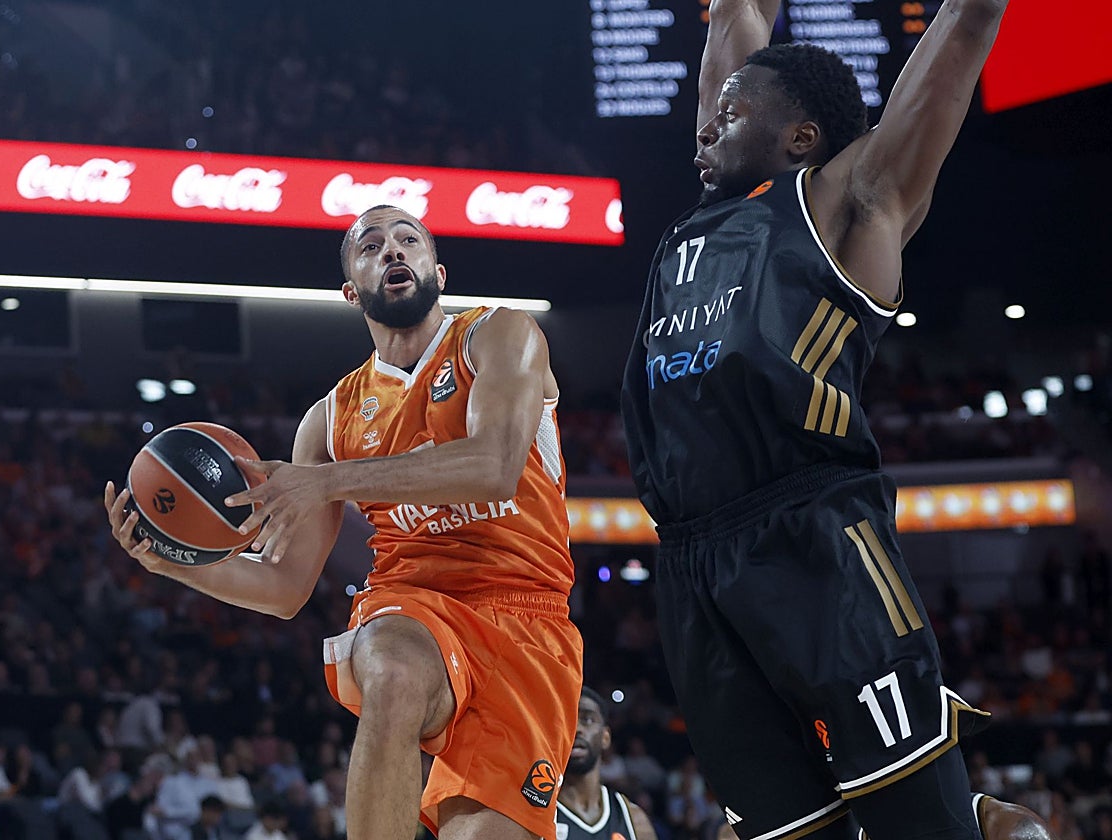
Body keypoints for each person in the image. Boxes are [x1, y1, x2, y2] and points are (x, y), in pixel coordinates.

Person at [619, 2, 1054, 839]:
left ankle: (972, 821)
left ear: (801, 138)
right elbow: (735, 21)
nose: (708, 121)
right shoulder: (703, 219)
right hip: (691, 565)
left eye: (732, 112)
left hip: (815, 541)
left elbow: (965, 29)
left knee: (915, 825)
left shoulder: (852, 202)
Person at [105, 203, 582, 840]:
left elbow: (494, 464)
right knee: (391, 664)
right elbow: (284, 588)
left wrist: (326, 481)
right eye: (371, 246)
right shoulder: (329, 419)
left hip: (529, 621)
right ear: (350, 289)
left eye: (408, 240)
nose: (392, 251)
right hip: (415, 603)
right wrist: (175, 561)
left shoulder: (498, 334)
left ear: (437, 268)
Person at [556, 687, 658, 840]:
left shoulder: (633, 819)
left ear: (605, 737)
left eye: (587, 719)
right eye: (568, 719)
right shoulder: (538, 812)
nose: (576, 729)